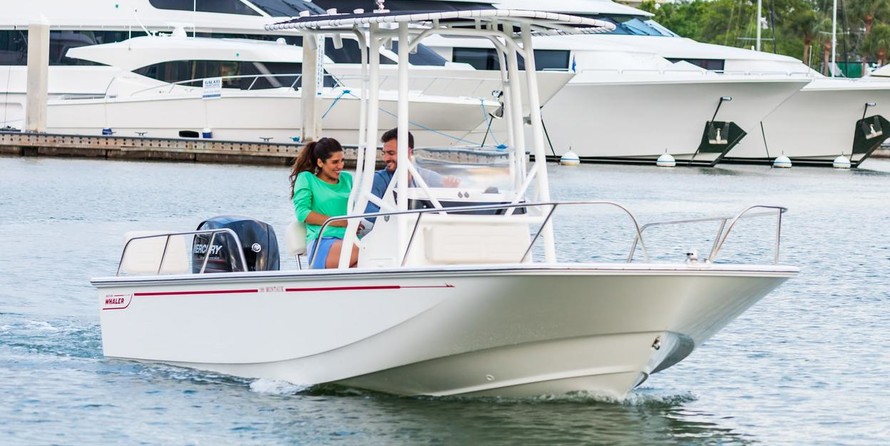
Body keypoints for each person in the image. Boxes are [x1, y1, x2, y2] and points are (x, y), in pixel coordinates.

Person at [289, 137, 359, 269]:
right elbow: (302, 213)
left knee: (368, 261)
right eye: (335, 162)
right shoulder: (307, 178)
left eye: (342, 160)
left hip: (349, 238)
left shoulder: (347, 179)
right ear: (320, 162)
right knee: (368, 250)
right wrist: (341, 222)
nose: (340, 166)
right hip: (323, 241)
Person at [366, 128, 459, 216]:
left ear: (408, 152)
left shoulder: (427, 176)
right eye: (384, 153)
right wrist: (396, 219)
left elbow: (450, 195)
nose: (385, 158)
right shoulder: (379, 179)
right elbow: (367, 208)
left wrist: (450, 190)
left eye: (391, 153)